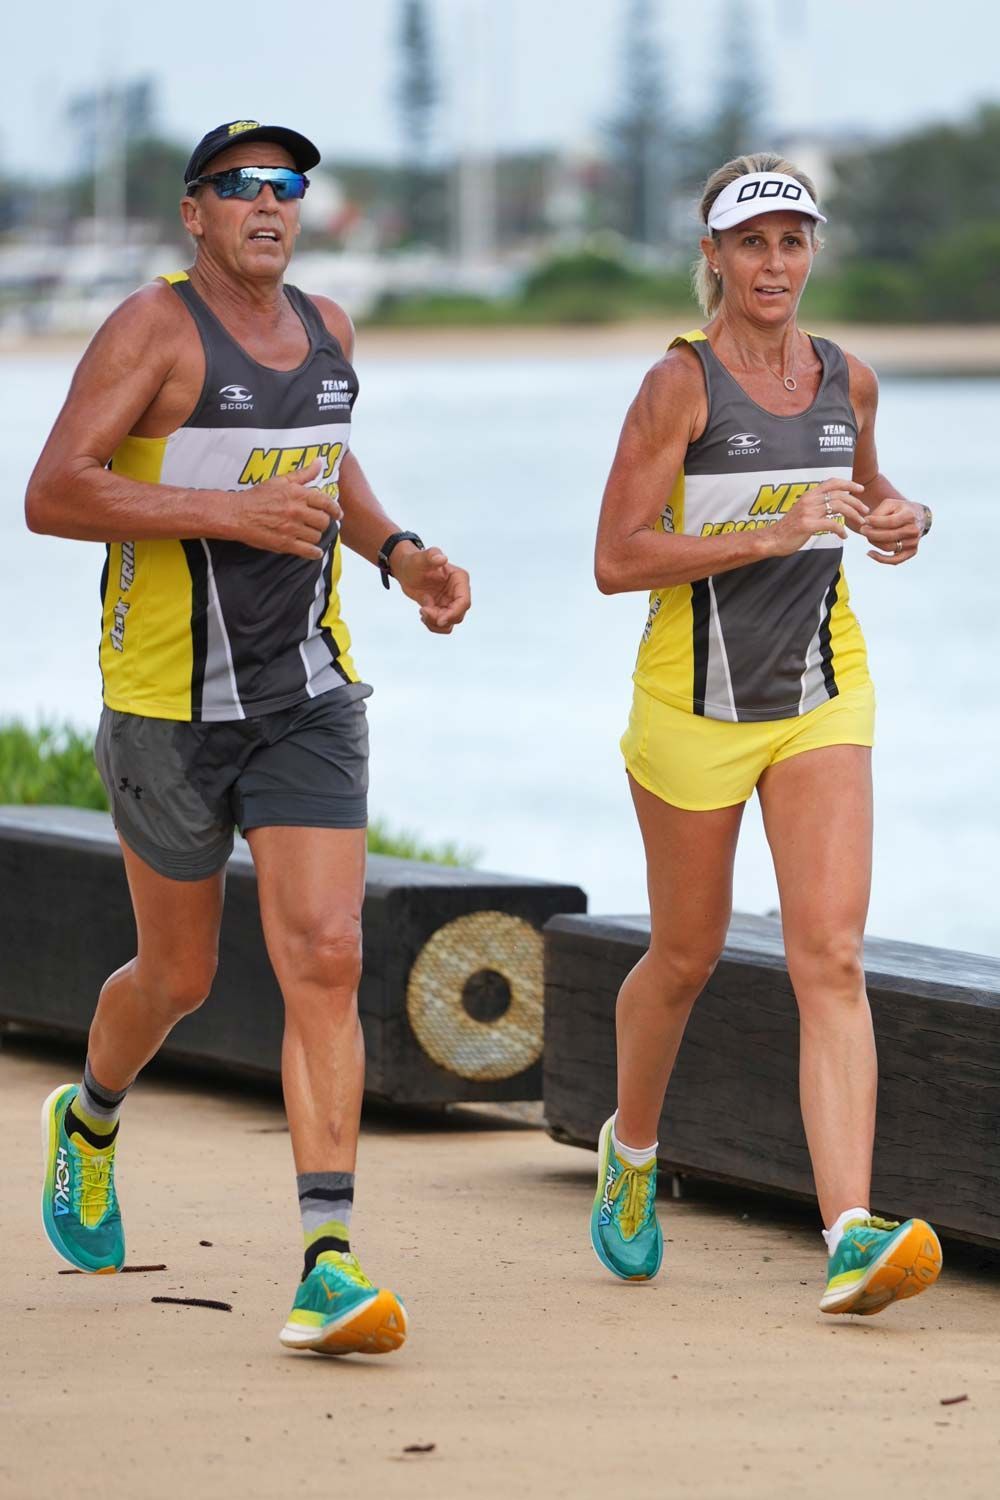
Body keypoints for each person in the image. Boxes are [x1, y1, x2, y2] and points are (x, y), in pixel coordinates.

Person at [27, 119, 470, 1356]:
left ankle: (327, 1258)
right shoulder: (151, 331)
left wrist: (397, 552)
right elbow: (54, 490)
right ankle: (93, 1116)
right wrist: (223, 510)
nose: (269, 203)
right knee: (177, 978)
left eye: (287, 186)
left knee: (325, 952)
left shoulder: (329, 329)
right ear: (195, 212)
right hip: (166, 709)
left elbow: (328, 462)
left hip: (306, 698)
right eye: (241, 187)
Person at [590, 152, 942, 1316]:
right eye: (751, 243)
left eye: (792, 241)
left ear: (810, 253)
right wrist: (763, 533)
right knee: (683, 956)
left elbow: (864, 496)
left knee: (828, 957)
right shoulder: (676, 386)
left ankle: (848, 1231)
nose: (774, 263)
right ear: (714, 259)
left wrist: (898, 518)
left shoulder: (849, 379)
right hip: (692, 707)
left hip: (821, 692)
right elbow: (616, 559)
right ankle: (631, 1150)